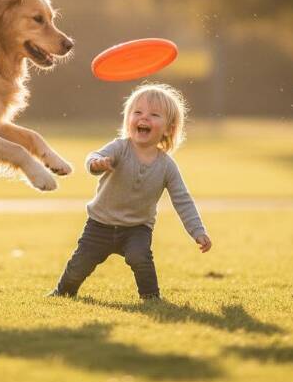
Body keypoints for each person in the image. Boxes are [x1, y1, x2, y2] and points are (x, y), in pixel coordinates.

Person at [49, 83, 211, 300]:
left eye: (154, 115)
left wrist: (197, 231)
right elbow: (93, 157)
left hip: (137, 228)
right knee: (80, 263)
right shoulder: (119, 148)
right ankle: (63, 292)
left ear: (169, 128)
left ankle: (151, 297)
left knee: (140, 257)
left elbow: (183, 200)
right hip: (100, 224)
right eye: (137, 112)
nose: (144, 118)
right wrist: (97, 163)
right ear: (128, 120)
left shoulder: (166, 166)